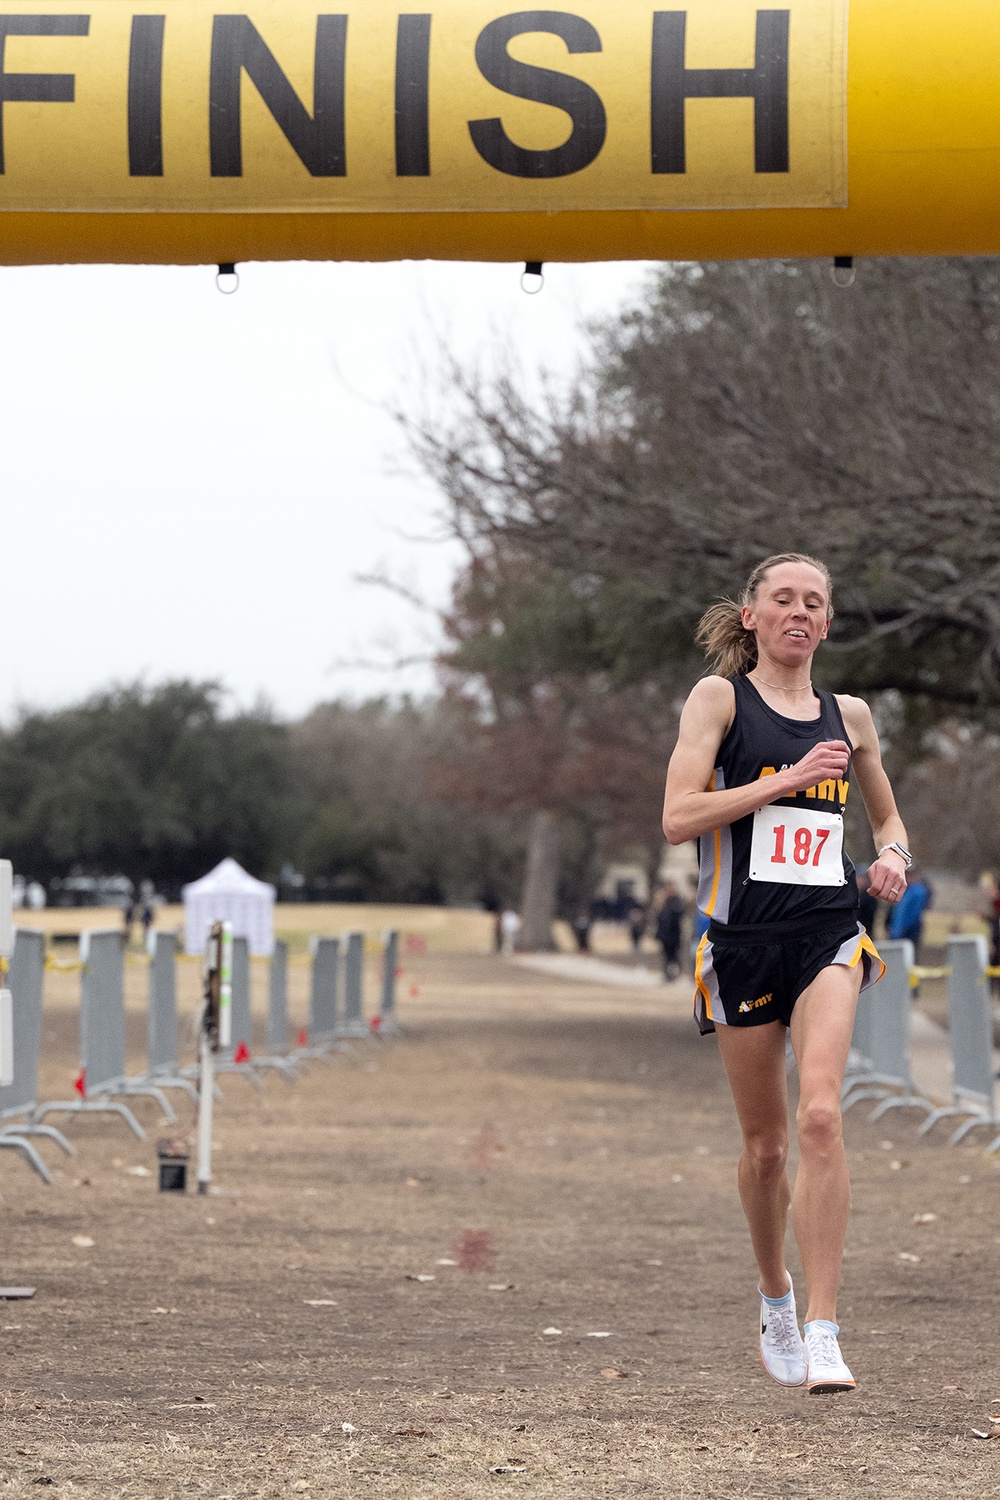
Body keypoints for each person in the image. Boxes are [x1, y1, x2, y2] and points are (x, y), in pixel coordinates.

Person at [662, 553, 911, 1395]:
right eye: (783, 600)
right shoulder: (719, 701)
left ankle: (825, 1330)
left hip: (826, 935)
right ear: (752, 616)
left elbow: (886, 815)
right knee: (766, 1149)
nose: (798, 613)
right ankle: (776, 1292)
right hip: (739, 945)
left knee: (818, 1117)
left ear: (827, 623)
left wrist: (893, 856)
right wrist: (786, 781)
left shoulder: (853, 716)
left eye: (814, 603)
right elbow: (677, 817)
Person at [886, 867, 932, 956]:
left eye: (909, 874)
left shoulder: (918, 891)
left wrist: (904, 929)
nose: (907, 877)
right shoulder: (901, 889)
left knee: (909, 957)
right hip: (896, 931)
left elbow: (914, 913)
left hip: (909, 931)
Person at [654, 882, 685, 979]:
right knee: (666, 955)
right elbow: (659, 919)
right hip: (665, 935)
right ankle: (667, 974)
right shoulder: (663, 902)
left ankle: (674, 973)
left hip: (674, 935)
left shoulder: (676, 902)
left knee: (674, 956)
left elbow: (677, 916)